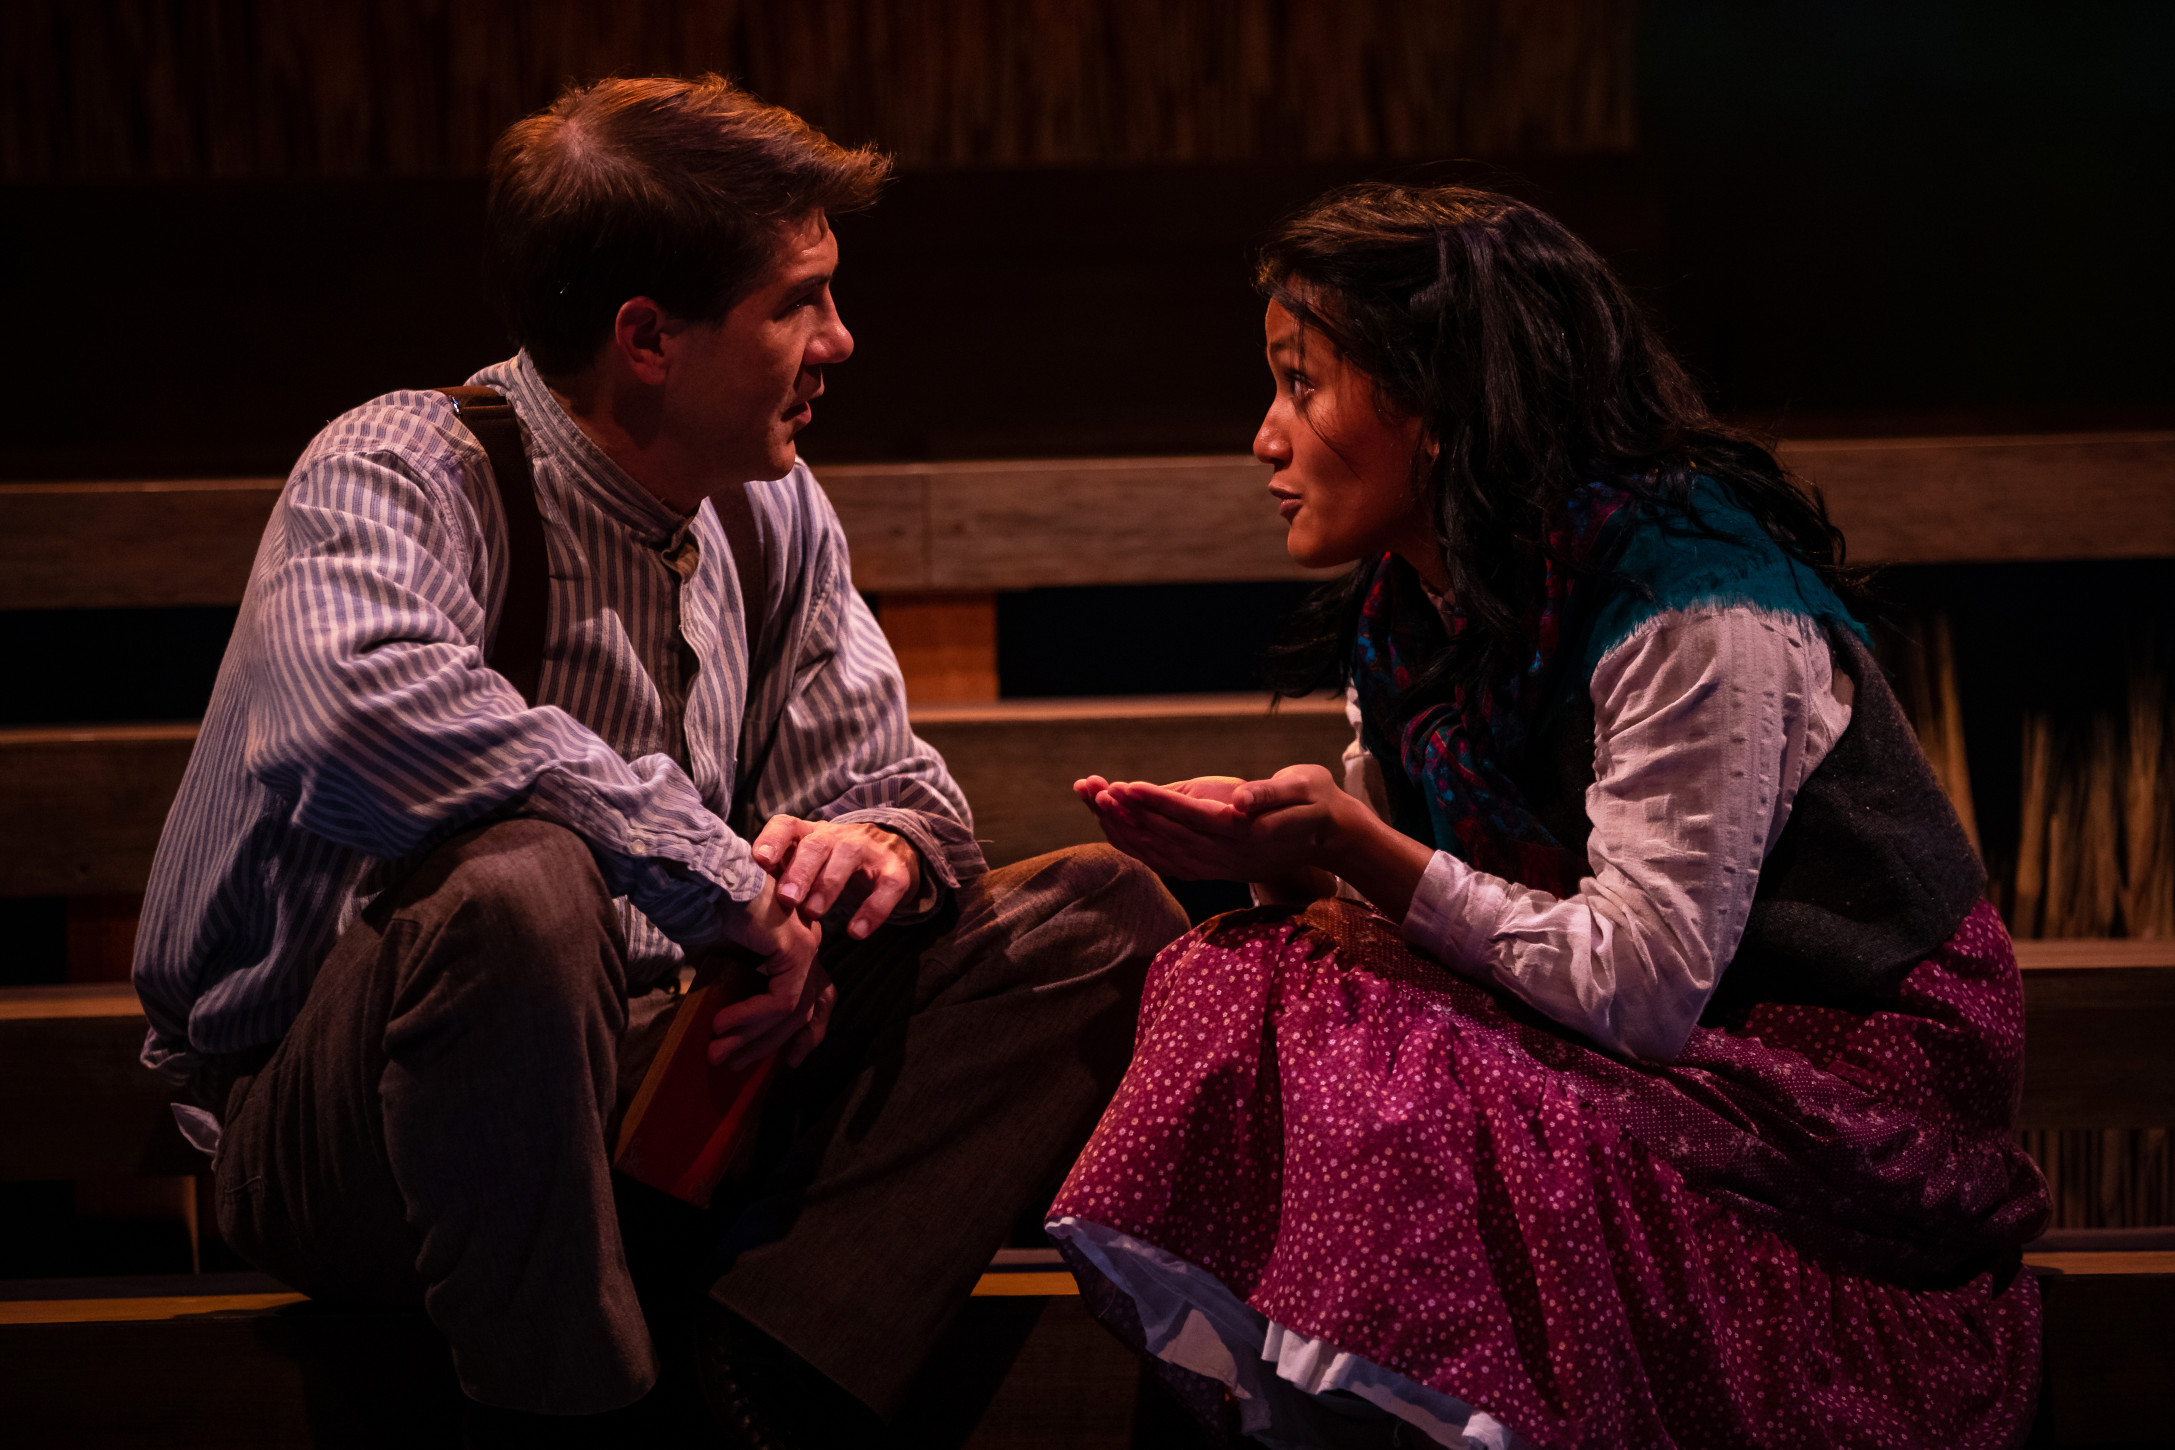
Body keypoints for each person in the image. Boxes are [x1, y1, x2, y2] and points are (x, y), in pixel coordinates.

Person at [131, 74, 1186, 1446]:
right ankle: (578, 1407)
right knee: (522, 885)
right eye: (796, 301)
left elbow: (896, 782)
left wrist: (861, 860)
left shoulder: (768, 506)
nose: (840, 339)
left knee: (1099, 921)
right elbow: (354, 714)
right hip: (362, 1129)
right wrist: (708, 871)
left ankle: (754, 1382)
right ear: (646, 339)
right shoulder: (403, 466)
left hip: (672, 1085)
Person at [1055, 184, 2048, 1449]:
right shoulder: (1424, 602)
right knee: (1256, 975)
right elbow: (1411, 919)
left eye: (1303, 385)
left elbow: (1644, 981)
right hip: (1624, 1040)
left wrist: (1349, 844)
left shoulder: (1696, 601)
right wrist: (1286, 866)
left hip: (1838, 1079)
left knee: (1318, 1027)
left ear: (1441, 398)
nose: (1265, 436)